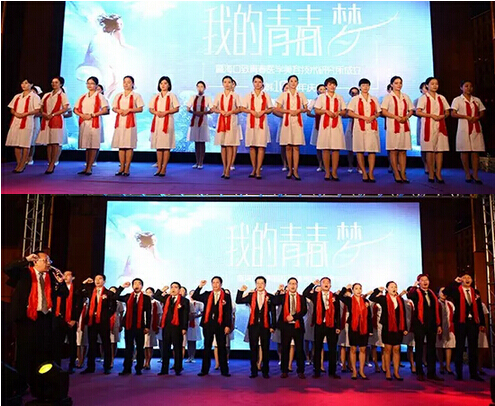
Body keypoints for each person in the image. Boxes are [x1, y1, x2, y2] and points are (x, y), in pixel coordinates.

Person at [4, 252, 66, 386]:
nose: (49, 263)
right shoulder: (25, 273)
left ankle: (39, 382)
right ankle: (22, 383)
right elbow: (7, 269)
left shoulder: (51, 276)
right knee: (25, 351)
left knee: (43, 351)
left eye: (49, 261)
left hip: (45, 318)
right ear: (35, 261)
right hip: (27, 318)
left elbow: (64, 294)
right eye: (46, 260)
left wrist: (61, 283)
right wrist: (26, 259)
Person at [443, 273, 485, 381]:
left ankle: (473, 373)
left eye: (469, 278)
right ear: (461, 280)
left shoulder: (475, 292)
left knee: (473, 348)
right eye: (465, 277)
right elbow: (445, 292)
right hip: (460, 323)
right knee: (460, 348)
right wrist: (454, 282)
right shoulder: (456, 290)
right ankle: (459, 373)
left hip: (473, 323)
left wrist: (482, 324)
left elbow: (479, 308)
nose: (467, 279)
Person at [236, 276, 276, 378]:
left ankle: (265, 371)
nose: (259, 285)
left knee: (265, 349)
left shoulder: (270, 296)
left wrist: (273, 325)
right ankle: (253, 371)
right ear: (255, 284)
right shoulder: (251, 295)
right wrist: (241, 291)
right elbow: (238, 300)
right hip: (253, 326)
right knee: (253, 349)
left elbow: (273, 312)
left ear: (265, 284)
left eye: (262, 283)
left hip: (265, 326)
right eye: (258, 283)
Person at [192, 277, 233, 377]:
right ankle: (204, 370)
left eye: (217, 282)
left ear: (221, 284)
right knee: (207, 347)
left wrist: (227, 325)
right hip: (208, 324)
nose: (215, 284)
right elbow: (195, 296)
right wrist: (200, 286)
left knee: (222, 348)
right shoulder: (207, 294)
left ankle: (224, 370)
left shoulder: (226, 296)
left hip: (220, 325)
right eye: (213, 283)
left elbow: (228, 311)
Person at [407, 274, 443, 381]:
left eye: (426, 280)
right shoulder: (416, 293)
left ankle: (431, 372)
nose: (425, 282)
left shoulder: (432, 293)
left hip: (432, 325)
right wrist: (414, 287)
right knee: (419, 348)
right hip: (420, 324)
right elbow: (410, 296)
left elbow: (436, 310)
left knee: (431, 349)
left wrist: (439, 325)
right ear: (419, 282)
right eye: (422, 280)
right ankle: (420, 372)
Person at [303, 278, 341, 379]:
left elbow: (338, 312)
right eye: (324, 282)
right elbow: (305, 293)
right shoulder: (316, 295)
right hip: (319, 325)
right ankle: (317, 371)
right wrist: (312, 284)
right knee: (317, 348)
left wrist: (338, 326)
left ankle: (332, 372)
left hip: (331, 325)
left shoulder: (334, 296)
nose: (326, 284)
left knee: (332, 349)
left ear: (330, 285)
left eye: (328, 282)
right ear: (320, 285)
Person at [79, 274, 117, 375]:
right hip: (92, 321)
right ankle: (90, 367)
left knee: (106, 344)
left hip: (103, 322)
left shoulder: (108, 293)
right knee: (92, 344)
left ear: (104, 281)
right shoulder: (90, 291)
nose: (97, 281)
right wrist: (84, 283)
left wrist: (105, 316)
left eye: (100, 279)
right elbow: (79, 293)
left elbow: (113, 307)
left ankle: (107, 366)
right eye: (96, 279)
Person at [370, 282, 408, 381]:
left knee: (396, 350)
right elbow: (372, 298)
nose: (394, 288)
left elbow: (403, 314)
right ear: (387, 289)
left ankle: (396, 372)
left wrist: (405, 328)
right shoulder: (383, 299)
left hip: (398, 328)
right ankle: (388, 372)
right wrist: (377, 290)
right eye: (391, 287)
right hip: (387, 328)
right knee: (387, 349)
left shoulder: (400, 299)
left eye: (395, 287)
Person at [271, 277, 308, 379]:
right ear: (287, 286)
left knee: (299, 350)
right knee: (285, 349)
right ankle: (284, 370)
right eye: (291, 283)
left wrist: (294, 317)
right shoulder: (283, 297)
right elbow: (273, 301)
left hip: (298, 326)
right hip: (286, 326)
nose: (292, 285)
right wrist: (278, 291)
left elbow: (304, 310)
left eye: (294, 284)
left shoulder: (301, 297)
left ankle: (301, 371)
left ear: (297, 285)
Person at [416, 77, 450, 183]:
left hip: (440, 125)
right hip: (428, 125)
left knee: (440, 150)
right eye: (432, 84)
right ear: (427, 85)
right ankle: (431, 172)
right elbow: (418, 112)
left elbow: (447, 111)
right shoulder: (423, 98)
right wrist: (431, 115)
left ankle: (438, 173)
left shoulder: (441, 97)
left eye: (436, 84)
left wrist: (443, 116)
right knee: (429, 150)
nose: (435, 86)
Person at [451, 80, 486, 184]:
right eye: (466, 86)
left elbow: (482, 111)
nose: (469, 88)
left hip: (475, 126)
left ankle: (475, 174)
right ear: (461, 88)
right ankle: (467, 173)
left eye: (470, 86)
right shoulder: (457, 100)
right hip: (464, 126)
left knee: (476, 151)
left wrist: (477, 117)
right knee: (464, 150)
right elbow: (453, 113)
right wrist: (465, 116)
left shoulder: (476, 100)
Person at [347, 78, 381, 182]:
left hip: (371, 126)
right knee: (359, 149)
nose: (365, 87)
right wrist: (362, 117)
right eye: (363, 85)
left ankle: (371, 172)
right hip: (359, 126)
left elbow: (379, 112)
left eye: (367, 85)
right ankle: (364, 172)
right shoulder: (355, 99)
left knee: (372, 150)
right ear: (360, 87)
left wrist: (373, 116)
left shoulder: (374, 99)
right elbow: (350, 112)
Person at [381, 76, 414, 183]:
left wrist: (406, 117)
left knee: (403, 150)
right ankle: (396, 172)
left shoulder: (405, 96)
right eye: (396, 83)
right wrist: (395, 117)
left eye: (400, 83)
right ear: (391, 85)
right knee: (393, 150)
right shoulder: (388, 97)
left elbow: (411, 110)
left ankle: (403, 172)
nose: (398, 85)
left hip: (404, 125)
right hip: (392, 125)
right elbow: (384, 111)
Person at [115, 278, 151, 375]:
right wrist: (122, 287)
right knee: (128, 348)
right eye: (135, 283)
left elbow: (148, 314)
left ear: (142, 286)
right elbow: (115, 296)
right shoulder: (128, 296)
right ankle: (127, 368)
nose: (137, 285)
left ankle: (139, 368)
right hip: (129, 325)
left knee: (140, 348)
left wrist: (147, 326)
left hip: (140, 326)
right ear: (132, 286)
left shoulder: (146, 298)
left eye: (139, 284)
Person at [73, 76, 109, 175]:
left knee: (93, 145)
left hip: (94, 122)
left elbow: (105, 110)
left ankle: (89, 167)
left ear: (96, 85)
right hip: (84, 121)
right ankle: (86, 166)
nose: (90, 85)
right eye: (88, 83)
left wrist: (93, 115)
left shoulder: (100, 96)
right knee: (87, 145)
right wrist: (82, 115)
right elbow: (75, 109)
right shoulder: (83, 96)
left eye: (92, 83)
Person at [275, 75, 309, 181]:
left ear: (297, 83)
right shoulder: (284, 94)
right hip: (287, 121)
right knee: (288, 146)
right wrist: (288, 111)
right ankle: (289, 169)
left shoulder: (301, 94)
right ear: (288, 83)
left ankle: (296, 170)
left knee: (296, 147)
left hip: (297, 122)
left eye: (295, 81)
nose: (293, 83)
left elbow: (306, 109)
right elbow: (277, 108)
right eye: (291, 81)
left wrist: (299, 110)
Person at [111, 75, 144, 176]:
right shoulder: (119, 95)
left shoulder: (136, 95)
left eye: (128, 82)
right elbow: (114, 108)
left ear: (133, 84)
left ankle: (127, 168)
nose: (126, 84)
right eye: (124, 82)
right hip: (120, 122)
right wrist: (118, 110)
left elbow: (140, 108)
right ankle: (121, 167)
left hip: (130, 122)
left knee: (129, 145)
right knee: (121, 146)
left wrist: (129, 110)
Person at [314, 77, 346, 181]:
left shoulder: (339, 97)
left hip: (336, 125)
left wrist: (338, 112)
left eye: (334, 84)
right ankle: (327, 172)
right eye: (330, 84)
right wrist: (326, 111)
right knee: (326, 148)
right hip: (325, 125)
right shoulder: (321, 97)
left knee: (336, 149)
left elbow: (344, 111)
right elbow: (317, 110)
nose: (332, 86)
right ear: (326, 86)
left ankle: (334, 172)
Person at [36, 76, 70, 174]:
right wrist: (44, 113)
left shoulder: (63, 95)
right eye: (52, 82)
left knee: (55, 142)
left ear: (61, 84)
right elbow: (41, 106)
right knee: (49, 142)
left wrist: (54, 114)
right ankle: (49, 161)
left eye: (56, 82)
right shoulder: (47, 95)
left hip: (56, 119)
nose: (53, 84)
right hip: (47, 119)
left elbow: (65, 108)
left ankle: (52, 163)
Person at [6, 79, 41, 173]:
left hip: (27, 121)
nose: (23, 85)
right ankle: (18, 163)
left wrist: (26, 113)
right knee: (16, 143)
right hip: (16, 120)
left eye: (26, 83)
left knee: (25, 143)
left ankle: (23, 163)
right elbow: (12, 108)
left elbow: (37, 109)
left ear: (31, 84)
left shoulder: (35, 97)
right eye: (22, 83)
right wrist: (16, 113)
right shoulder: (17, 96)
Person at [338, 283, 372, 379]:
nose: (358, 290)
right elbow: (340, 296)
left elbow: (369, 316)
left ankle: (361, 371)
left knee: (363, 349)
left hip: (364, 328)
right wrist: (345, 288)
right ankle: (354, 371)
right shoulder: (349, 300)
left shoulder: (365, 301)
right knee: (353, 349)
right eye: (356, 288)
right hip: (353, 327)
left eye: (360, 288)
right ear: (353, 290)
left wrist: (370, 329)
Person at [242, 75, 274, 179]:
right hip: (251, 123)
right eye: (255, 82)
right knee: (252, 146)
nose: (257, 84)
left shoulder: (266, 95)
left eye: (259, 82)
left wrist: (263, 111)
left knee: (261, 146)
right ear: (253, 83)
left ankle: (258, 170)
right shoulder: (248, 95)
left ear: (262, 83)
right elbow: (242, 108)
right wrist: (251, 111)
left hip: (262, 123)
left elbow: (270, 109)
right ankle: (253, 168)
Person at [153, 282, 188, 375]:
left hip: (177, 327)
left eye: (176, 287)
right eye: (172, 287)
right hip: (167, 327)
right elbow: (155, 296)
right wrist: (162, 290)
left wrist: (184, 328)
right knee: (165, 348)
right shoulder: (167, 298)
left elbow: (185, 315)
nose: (173, 289)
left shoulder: (184, 300)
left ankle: (178, 368)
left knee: (177, 348)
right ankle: (164, 369)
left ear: (179, 290)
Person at [211, 76, 242, 179]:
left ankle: (228, 168)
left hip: (232, 121)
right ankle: (224, 168)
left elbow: (240, 109)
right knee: (223, 145)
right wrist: (221, 111)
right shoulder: (219, 95)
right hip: (221, 121)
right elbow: (213, 108)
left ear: (232, 84)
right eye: (225, 82)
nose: (227, 84)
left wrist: (231, 112)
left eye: (229, 82)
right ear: (222, 84)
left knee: (229, 145)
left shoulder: (235, 95)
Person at [149, 76, 180, 177]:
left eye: (165, 83)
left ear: (169, 85)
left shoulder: (172, 96)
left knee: (166, 146)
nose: (163, 85)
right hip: (157, 121)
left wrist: (166, 112)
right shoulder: (156, 96)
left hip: (168, 121)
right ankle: (159, 168)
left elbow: (176, 108)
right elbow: (151, 109)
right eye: (161, 83)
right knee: (159, 146)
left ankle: (164, 168)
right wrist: (156, 112)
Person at [53, 270, 80, 374]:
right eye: (64, 275)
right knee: (57, 343)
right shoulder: (58, 287)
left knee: (72, 343)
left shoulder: (76, 290)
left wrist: (74, 319)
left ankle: (72, 365)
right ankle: (57, 365)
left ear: (73, 277)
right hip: (59, 319)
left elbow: (79, 306)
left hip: (71, 320)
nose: (65, 277)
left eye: (68, 275)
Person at [187, 80, 212, 169]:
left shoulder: (207, 98)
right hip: (195, 121)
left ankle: (201, 162)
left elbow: (212, 110)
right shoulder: (193, 97)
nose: (200, 88)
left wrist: (203, 113)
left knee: (202, 141)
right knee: (196, 141)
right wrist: (194, 112)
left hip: (203, 121)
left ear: (204, 88)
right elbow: (188, 108)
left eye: (201, 86)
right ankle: (197, 161)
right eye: (198, 86)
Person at [435, 287, 455, 375]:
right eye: (441, 291)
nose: (443, 293)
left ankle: (448, 366)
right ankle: (441, 365)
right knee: (439, 346)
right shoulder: (435, 302)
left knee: (449, 346)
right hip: (438, 327)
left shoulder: (450, 304)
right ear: (438, 293)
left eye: (445, 291)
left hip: (449, 327)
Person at [307, 84, 327, 172]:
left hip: (327, 124)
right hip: (317, 125)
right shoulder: (314, 100)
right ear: (317, 91)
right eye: (320, 89)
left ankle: (327, 165)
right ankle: (320, 164)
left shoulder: (329, 100)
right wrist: (315, 116)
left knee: (326, 146)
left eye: (324, 89)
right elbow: (308, 112)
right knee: (318, 146)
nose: (322, 91)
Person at [144, 287, 162, 370]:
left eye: (150, 292)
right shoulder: (143, 301)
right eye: (147, 292)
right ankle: (145, 361)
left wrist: (157, 326)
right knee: (144, 345)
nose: (148, 294)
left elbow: (159, 315)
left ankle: (148, 362)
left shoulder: (156, 303)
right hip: (143, 324)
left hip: (152, 325)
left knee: (150, 344)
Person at [413, 82, 428, 173]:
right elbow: (413, 112)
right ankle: (425, 164)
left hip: (433, 123)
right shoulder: (417, 100)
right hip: (422, 123)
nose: (427, 90)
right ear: (421, 90)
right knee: (423, 145)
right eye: (425, 88)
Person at [344, 86, 360, 173]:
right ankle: (350, 166)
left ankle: (359, 167)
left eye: (356, 93)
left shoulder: (361, 102)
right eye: (352, 93)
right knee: (349, 148)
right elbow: (344, 114)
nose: (354, 94)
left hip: (360, 124)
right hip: (350, 125)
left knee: (359, 148)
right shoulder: (348, 103)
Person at [274, 82, 289, 171]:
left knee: (292, 145)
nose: (287, 89)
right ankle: (284, 164)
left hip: (293, 124)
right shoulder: (281, 98)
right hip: (283, 124)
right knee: (283, 145)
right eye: (286, 88)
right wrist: (284, 116)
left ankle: (291, 164)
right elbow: (274, 110)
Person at [107, 286, 124, 368]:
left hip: (116, 321)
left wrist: (121, 324)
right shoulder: (105, 299)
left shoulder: (119, 302)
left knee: (114, 342)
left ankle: (112, 359)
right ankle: (106, 358)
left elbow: (121, 313)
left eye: (114, 291)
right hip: (106, 320)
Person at [186, 289, 203, 362]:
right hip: (187, 322)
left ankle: (192, 356)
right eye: (191, 294)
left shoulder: (199, 303)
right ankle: (189, 356)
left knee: (194, 340)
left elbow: (202, 312)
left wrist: (196, 316)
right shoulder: (187, 302)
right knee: (188, 340)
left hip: (195, 322)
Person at [475, 289, 489, 375]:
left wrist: (484, 326)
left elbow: (485, 317)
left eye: (477, 295)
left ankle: (480, 367)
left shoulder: (482, 305)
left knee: (482, 348)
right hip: (473, 329)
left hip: (481, 329)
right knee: (474, 348)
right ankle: (475, 366)